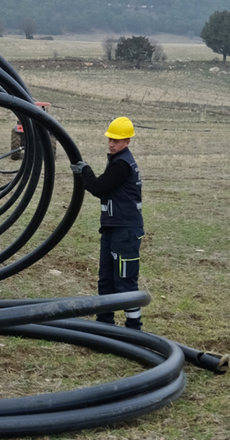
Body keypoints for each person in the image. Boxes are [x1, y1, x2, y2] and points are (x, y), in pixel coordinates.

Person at [70, 117, 145, 330]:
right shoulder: (116, 161)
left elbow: (98, 187)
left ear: (127, 141)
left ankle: (134, 327)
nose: (112, 144)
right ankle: (104, 322)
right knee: (106, 278)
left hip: (125, 230)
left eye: (117, 141)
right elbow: (103, 188)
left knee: (124, 279)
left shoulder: (122, 164)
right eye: (110, 139)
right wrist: (85, 175)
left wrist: (85, 171)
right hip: (113, 228)